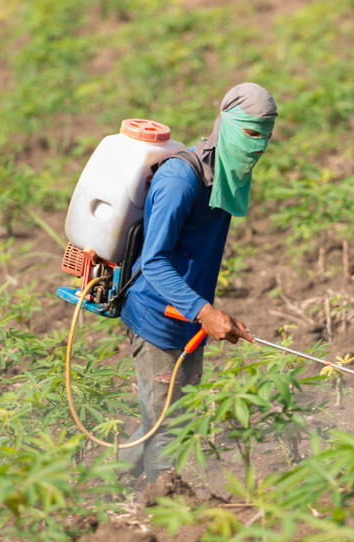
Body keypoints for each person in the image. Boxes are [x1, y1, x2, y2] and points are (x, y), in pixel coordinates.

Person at [118, 82, 277, 484]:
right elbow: (154, 261)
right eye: (251, 132)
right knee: (168, 428)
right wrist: (205, 311)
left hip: (189, 317)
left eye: (267, 135)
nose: (259, 145)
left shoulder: (225, 178)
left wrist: (210, 314)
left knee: (170, 419)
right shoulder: (181, 180)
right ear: (225, 125)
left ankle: (97, 487)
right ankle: (161, 509)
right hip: (157, 317)